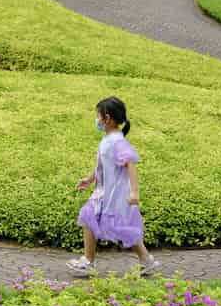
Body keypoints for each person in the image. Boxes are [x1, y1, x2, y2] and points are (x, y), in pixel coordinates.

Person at [66, 96, 162, 278]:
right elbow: (103, 164)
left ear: (107, 118)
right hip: (104, 191)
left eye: (98, 116)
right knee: (109, 222)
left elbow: (130, 164)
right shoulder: (108, 139)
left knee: (105, 221)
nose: (97, 119)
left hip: (115, 193)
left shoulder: (117, 142)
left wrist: (134, 192)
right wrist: (89, 179)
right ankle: (146, 261)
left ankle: (88, 262)